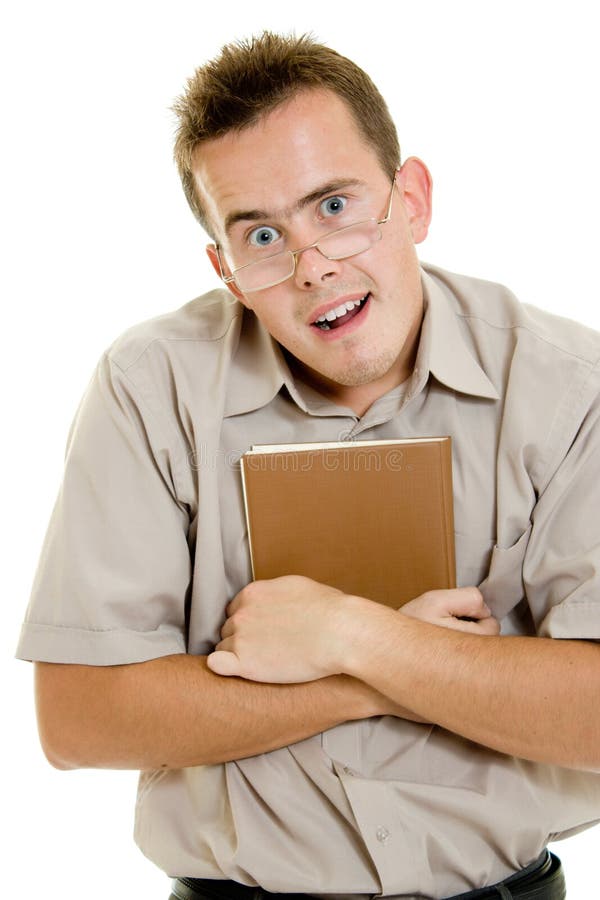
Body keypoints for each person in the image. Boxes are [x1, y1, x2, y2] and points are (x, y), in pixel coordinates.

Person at [16, 31, 600, 900]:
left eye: (334, 206)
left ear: (412, 199)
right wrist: (374, 679)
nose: (312, 265)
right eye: (261, 234)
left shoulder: (569, 386)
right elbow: (79, 722)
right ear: (225, 268)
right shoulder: (149, 385)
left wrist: (350, 635)